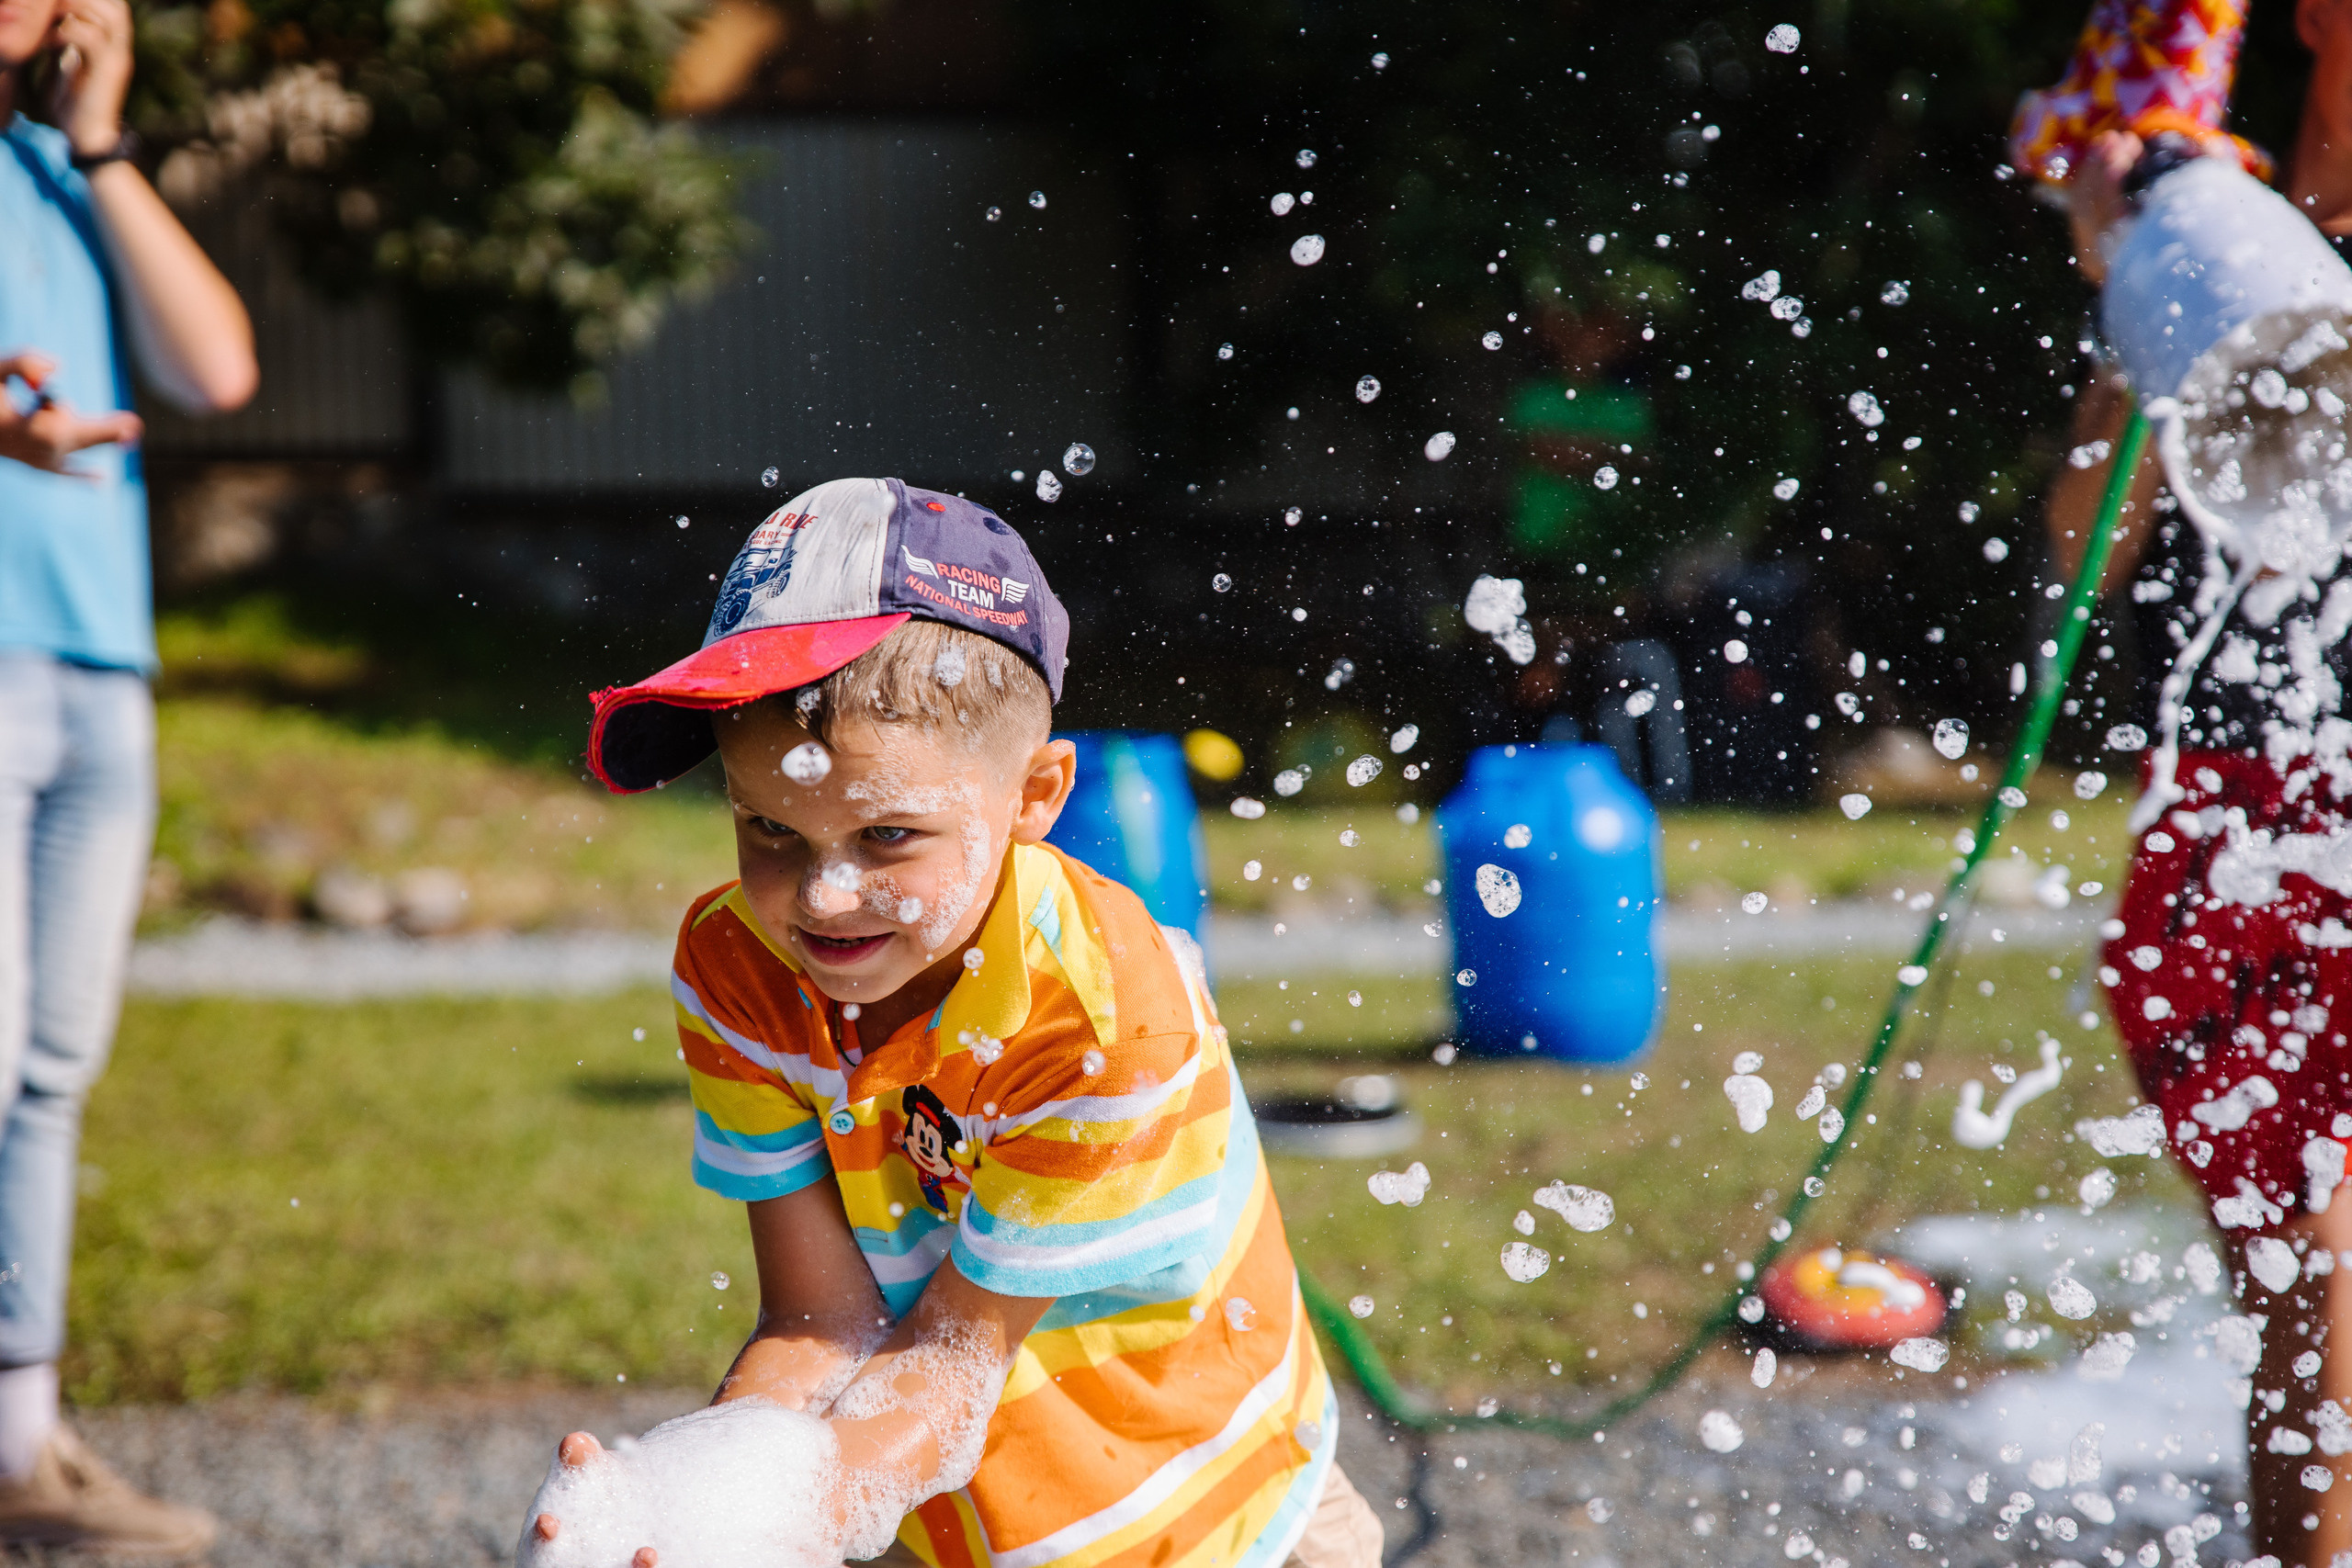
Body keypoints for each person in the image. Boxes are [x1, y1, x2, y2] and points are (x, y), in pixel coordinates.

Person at [567, 477, 1383, 1568]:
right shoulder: (734, 965)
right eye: (767, 827)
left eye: (890, 836)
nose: (819, 900)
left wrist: (791, 1521)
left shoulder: (1098, 1016)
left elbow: (953, 1362)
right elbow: (820, 1321)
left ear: (1035, 797)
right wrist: (695, 1491)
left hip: (1208, 1503)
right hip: (954, 1499)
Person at [2036, 4, 2352, 1564]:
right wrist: (2125, 312)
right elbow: (2088, 539)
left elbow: (2079, 555)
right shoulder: (2252, 252)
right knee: (2304, 1259)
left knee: (2309, 1263)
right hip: (2256, 800)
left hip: (2283, 811)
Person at [0, 0, 254, 1552]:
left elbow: (215, 365)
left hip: (102, 665)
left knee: (50, 1068)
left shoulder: (57, 166)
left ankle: (20, 1448)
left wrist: (101, 141)